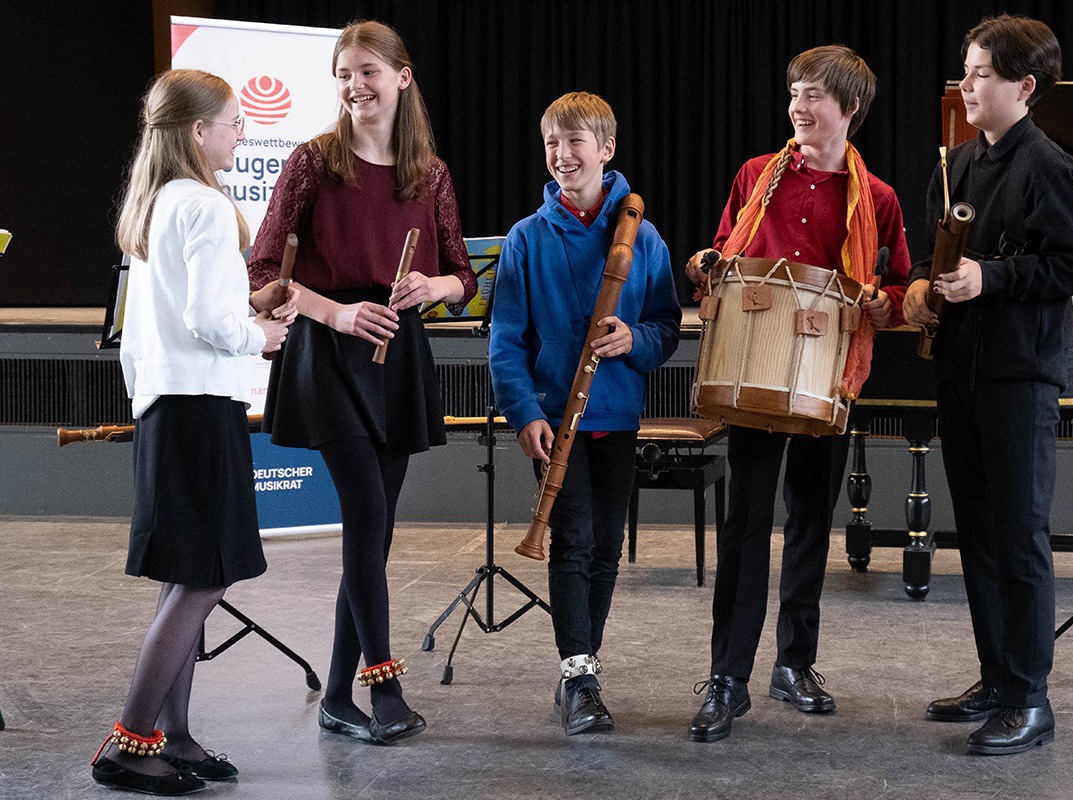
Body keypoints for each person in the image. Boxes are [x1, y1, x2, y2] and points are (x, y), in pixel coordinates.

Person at [247, 20, 477, 745]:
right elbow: (263, 278)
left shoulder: (429, 171)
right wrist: (337, 313)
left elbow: (463, 279)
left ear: (402, 78)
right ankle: (383, 682)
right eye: (346, 72)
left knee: (372, 538)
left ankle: (337, 698)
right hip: (326, 351)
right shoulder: (313, 161)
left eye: (370, 71)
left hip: (396, 355)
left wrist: (428, 284)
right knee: (366, 515)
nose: (356, 85)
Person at [683, 45, 911, 743]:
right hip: (756, 372)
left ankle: (795, 665)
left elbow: (900, 288)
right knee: (746, 526)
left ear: (851, 108)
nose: (798, 108)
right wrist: (706, 264)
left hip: (828, 384)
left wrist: (884, 303)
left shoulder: (877, 199)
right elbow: (721, 252)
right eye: (794, 94)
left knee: (812, 521)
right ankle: (727, 678)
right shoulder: (758, 175)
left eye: (814, 96)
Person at [903, 15, 1073, 755]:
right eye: (964, 71)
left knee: (1019, 540)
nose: (965, 85)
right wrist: (927, 288)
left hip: (1020, 375)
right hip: (961, 370)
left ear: (1024, 86)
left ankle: (1030, 699)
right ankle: (996, 679)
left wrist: (994, 276)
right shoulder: (954, 165)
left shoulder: (1051, 168)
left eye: (981, 74)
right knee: (982, 538)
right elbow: (936, 259)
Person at [93, 68, 293, 795]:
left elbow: (174, 320)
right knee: (209, 575)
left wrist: (246, 307)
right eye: (234, 122)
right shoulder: (207, 205)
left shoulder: (156, 203)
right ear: (199, 131)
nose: (241, 133)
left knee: (188, 572)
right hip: (200, 411)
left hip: (165, 408)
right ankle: (129, 741)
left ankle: (173, 736)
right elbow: (210, 324)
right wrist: (260, 334)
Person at [489, 91, 681, 736]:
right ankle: (578, 673)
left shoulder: (642, 235)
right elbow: (506, 339)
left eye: (576, 142)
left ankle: (581, 667)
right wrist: (522, 412)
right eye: (552, 144)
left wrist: (636, 339)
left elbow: (664, 325)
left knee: (604, 548)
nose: (563, 156)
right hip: (553, 421)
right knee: (572, 543)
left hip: (617, 416)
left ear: (607, 148)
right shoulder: (525, 239)